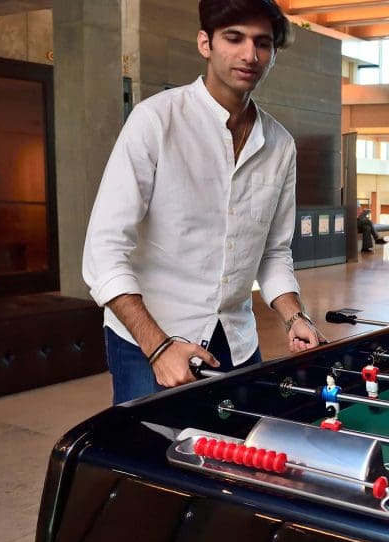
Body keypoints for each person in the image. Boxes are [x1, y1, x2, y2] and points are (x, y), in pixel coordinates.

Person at [83, 0, 321, 405]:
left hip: (236, 340)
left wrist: (294, 316)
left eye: (262, 43)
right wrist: (158, 347)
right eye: (234, 38)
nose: (250, 55)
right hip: (149, 339)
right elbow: (103, 253)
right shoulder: (155, 121)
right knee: (151, 461)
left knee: (242, 461)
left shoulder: (280, 145)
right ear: (205, 43)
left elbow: (273, 251)